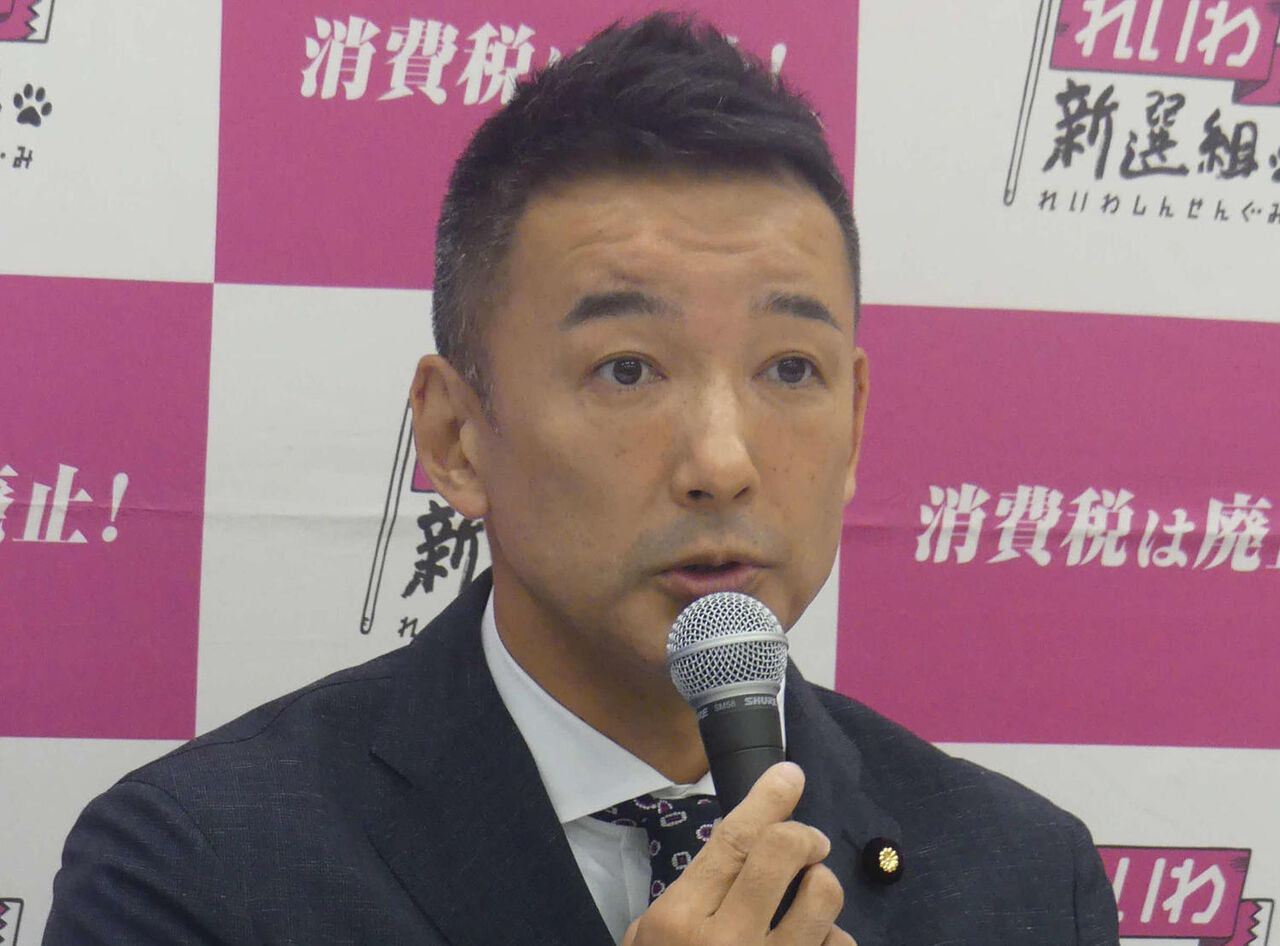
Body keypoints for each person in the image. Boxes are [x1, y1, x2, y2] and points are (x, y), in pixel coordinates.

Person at [43, 14, 1120, 946]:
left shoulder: (1023, 878)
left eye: (790, 369)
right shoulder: (197, 867)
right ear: (456, 437)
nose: (721, 462)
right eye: (627, 370)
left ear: (854, 424)